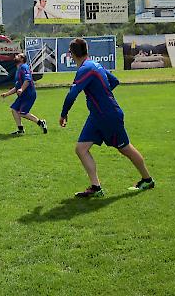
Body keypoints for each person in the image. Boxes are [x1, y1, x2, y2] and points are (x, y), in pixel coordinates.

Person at [60, 38, 154, 198]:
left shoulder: (85, 69)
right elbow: (114, 81)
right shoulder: (95, 65)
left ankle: (147, 179)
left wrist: (64, 114)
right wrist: (101, 94)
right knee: (81, 149)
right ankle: (96, 188)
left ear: (72, 54)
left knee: (125, 148)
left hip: (108, 116)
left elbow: (72, 94)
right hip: (97, 116)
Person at [0, 53, 48, 135]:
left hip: (29, 94)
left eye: (18, 56)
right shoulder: (18, 69)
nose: (16, 56)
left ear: (22, 59)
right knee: (14, 110)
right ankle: (20, 130)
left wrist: (22, 89)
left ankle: (40, 122)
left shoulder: (24, 67)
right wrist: (7, 94)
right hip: (23, 94)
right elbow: (17, 87)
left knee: (22, 113)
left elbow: (28, 80)